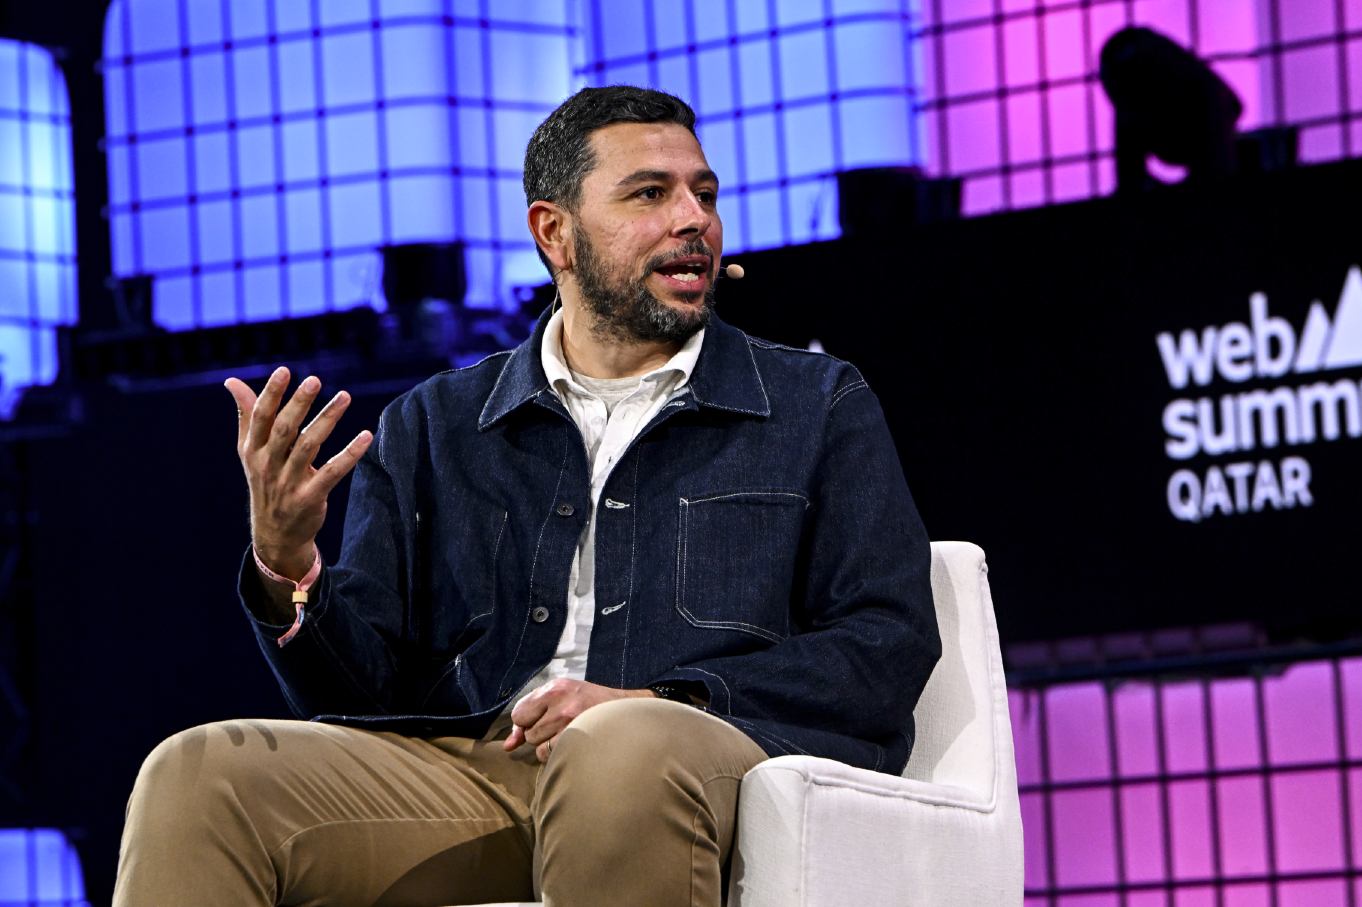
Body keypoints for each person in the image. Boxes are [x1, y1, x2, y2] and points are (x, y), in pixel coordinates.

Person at [115, 85, 939, 907]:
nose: (694, 218)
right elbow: (357, 697)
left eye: (705, 193)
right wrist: (286, 560)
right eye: (651, 193)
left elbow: (884, 641)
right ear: (556, 233)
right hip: (481, 774)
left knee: (618, 747)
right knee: (199, 776)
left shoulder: (811, 403)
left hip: (700, 758)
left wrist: (657, 698)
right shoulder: (437, 424)